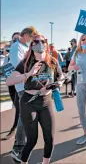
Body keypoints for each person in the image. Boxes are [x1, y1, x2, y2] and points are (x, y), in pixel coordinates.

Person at [6, 34, 64, 164]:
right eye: (35, 42)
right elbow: (9, 81)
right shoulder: (26, 63)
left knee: (50, 138)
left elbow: (61, 77)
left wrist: (57, 84)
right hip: (29, 103)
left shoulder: (52, 61)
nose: (39, 44)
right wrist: (28, 74)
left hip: (46, 101)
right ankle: (24, 162)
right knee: (32, 139)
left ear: (46, 44)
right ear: (31, 46)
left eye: (42, 41)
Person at [8, 27, 39, 162]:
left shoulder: (22, 47)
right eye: (31, 38)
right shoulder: (16, 47)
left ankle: (20, 144)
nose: (31, 41)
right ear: (25, 35)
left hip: (27, 85)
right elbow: (19, 66)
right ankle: (18, 147)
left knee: (24, 115)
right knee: (24, 116)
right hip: (22, 86)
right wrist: (32, 70)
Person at [3, 32, 21, 141]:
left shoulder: (22, 52)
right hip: (11, 84)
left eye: (18, 39)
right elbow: (5, 68)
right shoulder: (9, 55)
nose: (16, 41)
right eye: (14, 40)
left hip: (19, 84)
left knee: (18, 108)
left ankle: (14, 129)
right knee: (16, 106)